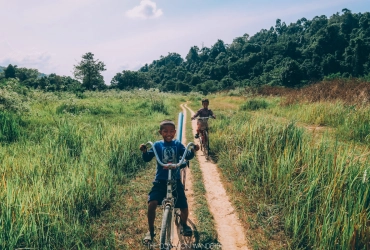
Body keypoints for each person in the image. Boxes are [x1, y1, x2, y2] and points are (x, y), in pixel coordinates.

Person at [139, 119, 199, 245]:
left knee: (183, 205)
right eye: (165, 131)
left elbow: (187, 155)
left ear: (175, 132)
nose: (169, 133)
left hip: (175, 180)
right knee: (152, 204)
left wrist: (193, 151)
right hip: (160, 181)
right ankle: (151, 231)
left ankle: (184, 224)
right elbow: (147, 158)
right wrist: (145, 151)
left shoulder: (178, 144)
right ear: (160, 132)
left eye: (172, 131)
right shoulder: (157, 145)